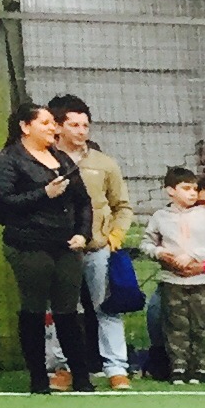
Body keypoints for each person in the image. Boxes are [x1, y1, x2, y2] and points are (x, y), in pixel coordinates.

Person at [1, 100, 99, 392]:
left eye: (52, 123)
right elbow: (4, 204)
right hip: (29, 244)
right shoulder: (9, 160)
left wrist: (82, 234)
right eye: (44, 123)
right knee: (34, 308)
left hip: (66, 245)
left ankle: (81, 376)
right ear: (25, 127)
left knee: (68, 310)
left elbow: (83, 201)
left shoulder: (62, 159)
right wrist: (44, 193)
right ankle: (38, 378)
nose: (51, 128)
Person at [51, 95, 135, 386]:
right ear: (58, 127)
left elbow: (122, 206)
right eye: (74, 125)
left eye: (85, 125)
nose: (81, 131)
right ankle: (63, 368)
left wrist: (115, 236)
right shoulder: (45, 161)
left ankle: (117, 368)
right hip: (59, 250)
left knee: (107, 308)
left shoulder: (104, 163)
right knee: (62, 311)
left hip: (98, 249)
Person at [140, 165, 205, 385]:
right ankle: (178, 367)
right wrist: (160, 253)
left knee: (202, 325)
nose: (192, 193)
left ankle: (203, 367)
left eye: (194, 189)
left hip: (204, 282)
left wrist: (193, 256)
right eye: (186, 188)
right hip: (172, 281)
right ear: (170, 190)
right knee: (176, 325)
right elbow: (146, 243)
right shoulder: (160, 217)